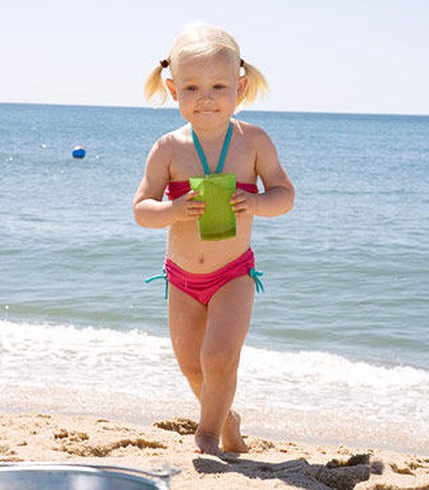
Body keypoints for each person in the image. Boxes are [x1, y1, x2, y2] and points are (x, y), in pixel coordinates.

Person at [133, 23, 294, 457]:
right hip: (182, 278)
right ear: (173, 90)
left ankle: (206, 435)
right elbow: (141, 209)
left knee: (219, 357)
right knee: (192, 367)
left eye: (218, 86)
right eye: (192, 87)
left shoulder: (253, 141)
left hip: (232, 274)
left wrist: (255, 202)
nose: (205, 97)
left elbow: (285, 195)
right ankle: (226, 420)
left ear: (240, 88)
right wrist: (171, 211)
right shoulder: (168, 148)